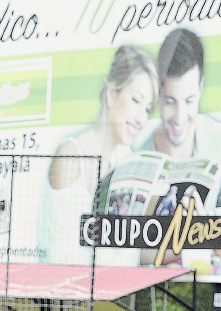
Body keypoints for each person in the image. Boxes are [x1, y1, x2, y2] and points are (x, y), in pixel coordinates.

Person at [38, 44, 158, 265]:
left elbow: (133, 250)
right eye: (136, 100)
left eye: (147, 108)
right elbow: (58, 254)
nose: (142, 118)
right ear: (112, 94)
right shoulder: (70, 155)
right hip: (66, 293)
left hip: (115, 291)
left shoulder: (126, 158)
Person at [137, 28, 221, 249]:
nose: (179, 118)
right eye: (170, 101)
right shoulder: (139, 153)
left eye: (189, 101)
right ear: (158, 91)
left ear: (200, 88)